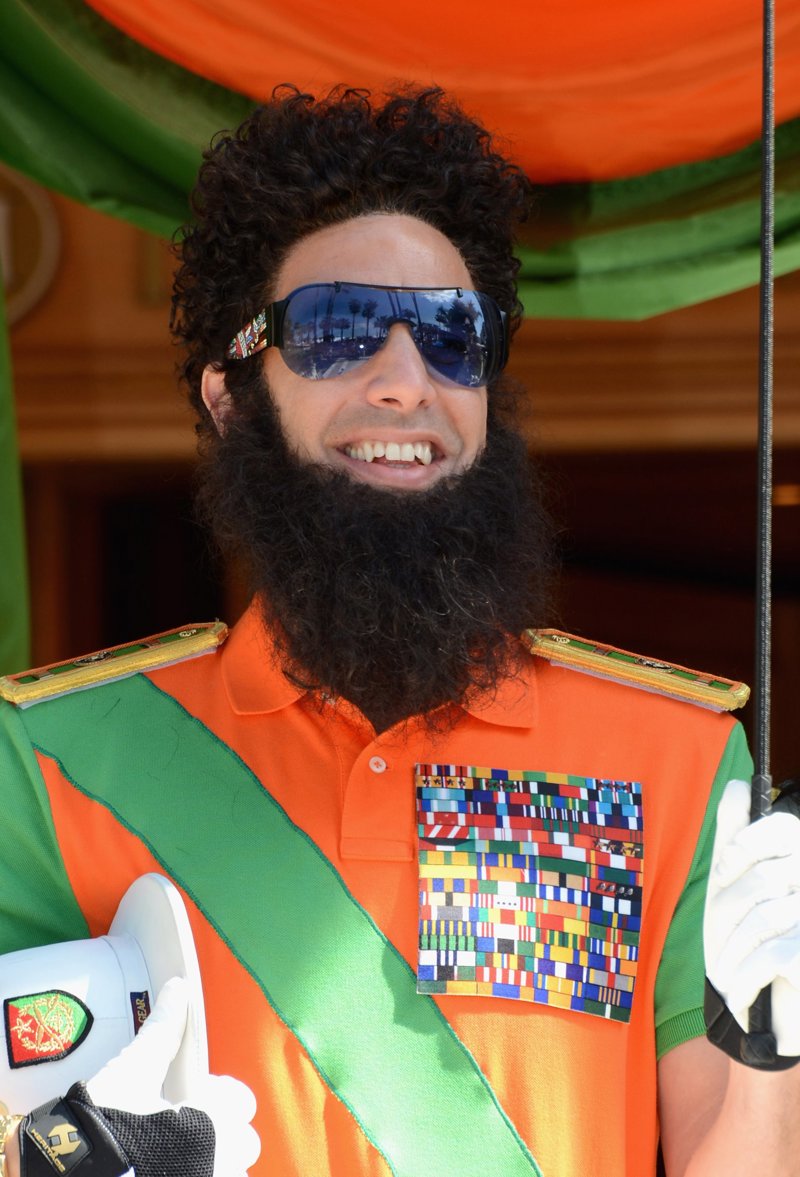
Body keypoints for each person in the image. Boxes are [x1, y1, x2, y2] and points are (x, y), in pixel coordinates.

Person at [1, 84, 799, 1177]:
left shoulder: (678, 756)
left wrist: (773, 1064)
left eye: (450, 336)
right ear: (232, 396)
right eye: (335, 332)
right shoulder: (49, 761)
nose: (403, 383)